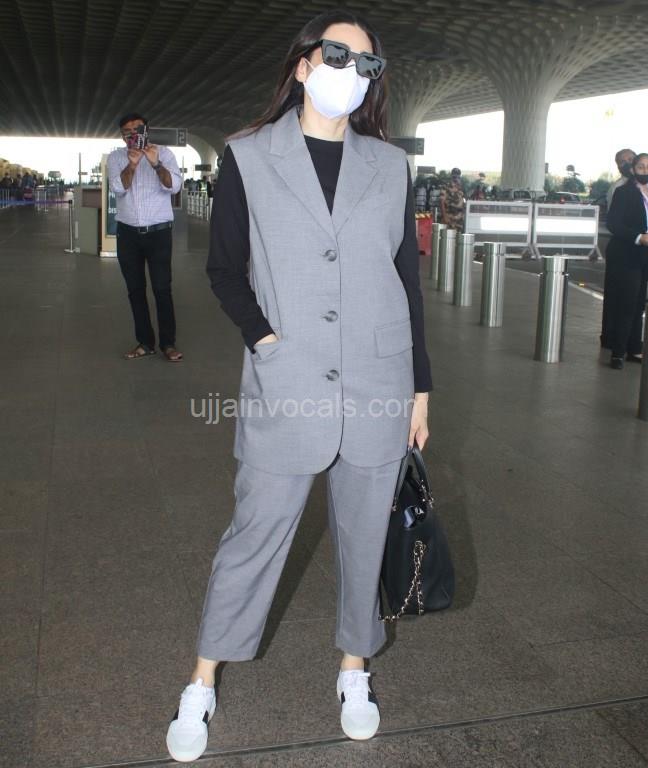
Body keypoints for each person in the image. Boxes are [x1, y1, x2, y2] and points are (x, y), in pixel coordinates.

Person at [166, 10, 433, 763]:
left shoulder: (389, 165)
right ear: (303, 63)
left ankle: (355, 668)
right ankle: (202, 680)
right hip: (287, 380)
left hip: (380, 379)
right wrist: (266, 339)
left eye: (367, 64)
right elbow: (225, 269)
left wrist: (420, 388)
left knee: (365, 536)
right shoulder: (249, 156)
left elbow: (407, 282)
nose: (353, 71)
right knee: (254, 535)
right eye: (338, 53)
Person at [107, 112, 184, 361]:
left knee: (162, 288)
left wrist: (155, 164)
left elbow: (174, 186)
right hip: (128, 234)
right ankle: (145, 342)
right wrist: (131, 165)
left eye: (137, 130)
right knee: (135, 289)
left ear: (146, 131)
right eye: (127, 132)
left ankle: (168, 344)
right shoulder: (116, 157)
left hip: (159, 233)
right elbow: (117, 188)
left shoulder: (164, 153)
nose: (133, 135)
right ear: (122, 136)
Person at [606, 152, 648, 369]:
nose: (645, 170)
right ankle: (617, 352)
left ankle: (634, 349)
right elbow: (614, 224)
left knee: (640, 304)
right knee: (627, 303)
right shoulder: (624, 192)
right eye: (641, 167)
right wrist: (638, 237)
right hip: (627, 254)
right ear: (633, 170)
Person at [602, 148, 636, 349]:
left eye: (631, 159)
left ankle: (631, 340)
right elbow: (615, 222)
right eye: (622, 161)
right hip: (622, 248)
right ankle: (610, 338)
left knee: (634, 298)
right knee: (616, 295)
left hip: (641, 249)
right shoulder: (618, 188)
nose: (628, 163)